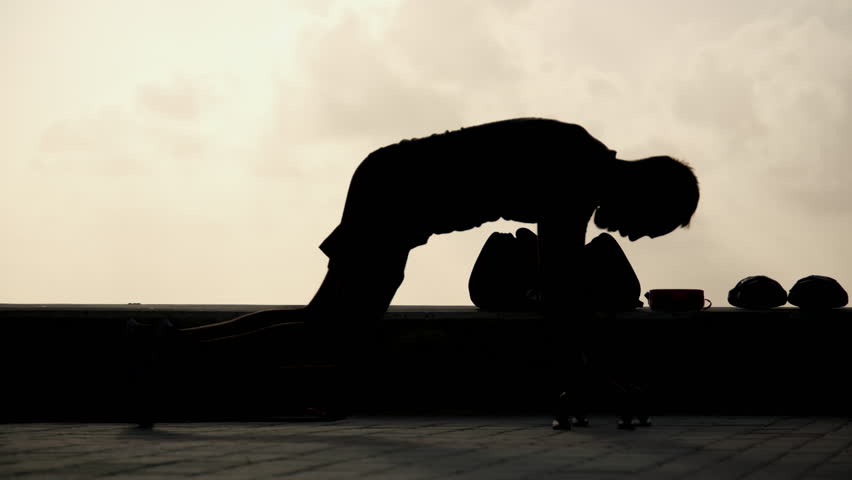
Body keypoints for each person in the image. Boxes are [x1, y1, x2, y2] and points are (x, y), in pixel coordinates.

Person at [183, 117, 699, 346]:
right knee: (335, 325)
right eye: (649, 225)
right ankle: (178, 353)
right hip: (397, 189)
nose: (635, 237)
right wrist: (596, 372)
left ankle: (177, 344)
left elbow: (559, 286)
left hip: (392, 180)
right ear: (648, 193)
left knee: (330, 318)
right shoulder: (577, 175)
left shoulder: (582, 160)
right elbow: (560, 294)